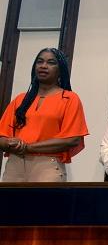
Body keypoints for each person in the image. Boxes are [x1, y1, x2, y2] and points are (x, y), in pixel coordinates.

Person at [0, 48, 89, 182]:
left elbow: (72, 139)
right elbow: (2, 136)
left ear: (60, 70)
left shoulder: (69, 98)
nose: (43, 66)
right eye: (40, 62)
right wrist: (9, 143)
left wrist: (29, 147)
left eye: (51, 62)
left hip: (47, 165)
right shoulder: (20, 99)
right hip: (15, 164)